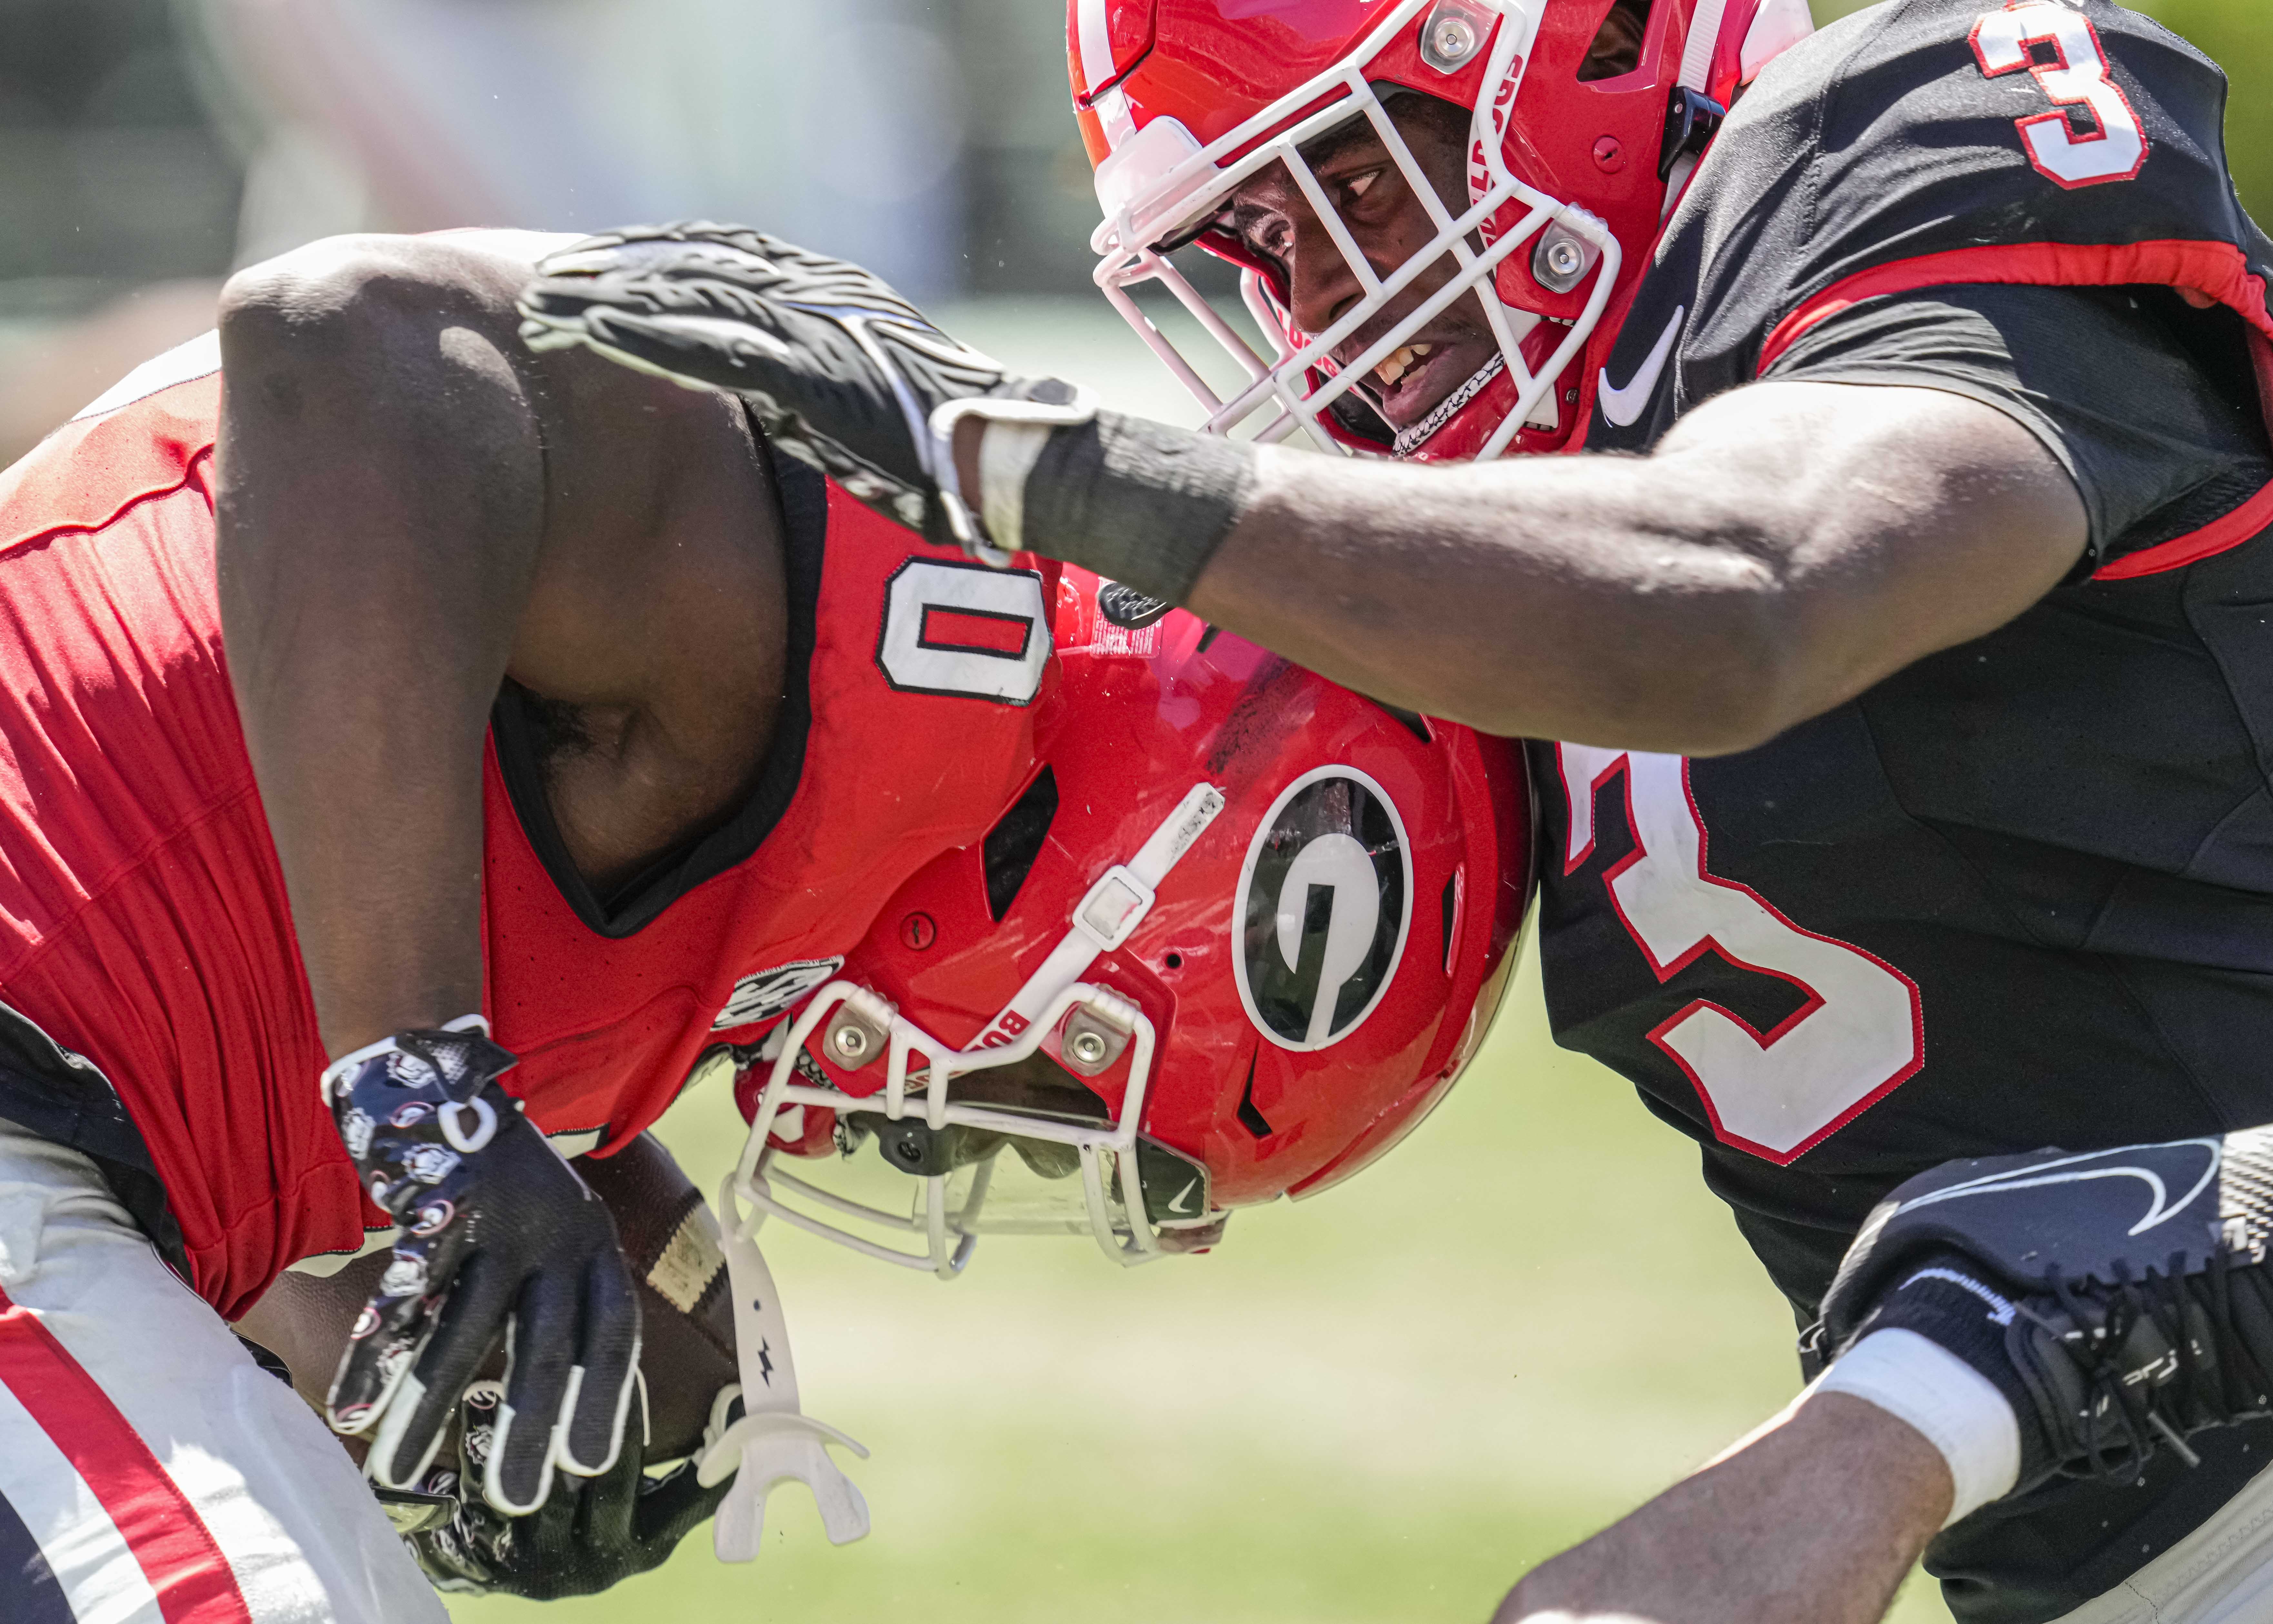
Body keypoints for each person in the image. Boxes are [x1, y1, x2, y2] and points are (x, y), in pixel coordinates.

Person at [514, 0, 2273, 1616]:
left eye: (1353, 181)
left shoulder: (1914, 126)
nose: (1329, 300)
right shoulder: (1504, 533)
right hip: (2106, 1531)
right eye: (1261, 245)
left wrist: (1047, 465)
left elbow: (1754, 578)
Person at [0, 219, 1530, 1616]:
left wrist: (473, 1308)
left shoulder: (762, 872)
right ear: (1128, 883)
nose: (970, 1142)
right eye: (1072, 1100)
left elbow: (218, 1062)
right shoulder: (888, 597)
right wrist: (436, 1098)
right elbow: (342, 333)